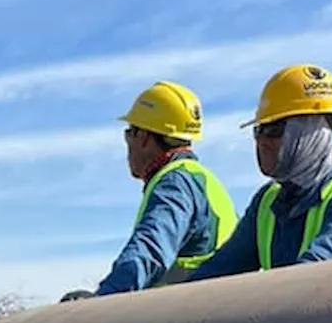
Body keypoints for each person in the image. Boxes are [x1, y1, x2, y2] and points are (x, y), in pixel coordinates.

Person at [185, 64, 332, 282]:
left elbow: (310, 282)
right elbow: (219, 270)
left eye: (274, 129)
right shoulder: (268, 202)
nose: (262, 140)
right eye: (258, 130)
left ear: (314, 131)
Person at [61, 81, 238, 302]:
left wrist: (103, 301)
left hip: (190, 318)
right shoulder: (203, 180)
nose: (128, 144)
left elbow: (150, 249)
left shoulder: (175, 183)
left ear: (143, 137)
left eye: (129, 134)